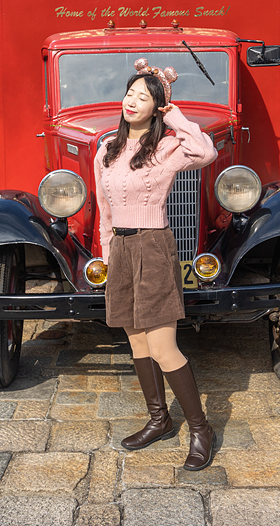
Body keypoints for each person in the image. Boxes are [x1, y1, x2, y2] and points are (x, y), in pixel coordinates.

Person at [94, 58, 217, 471]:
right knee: (138, 343)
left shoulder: (168, 147)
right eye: (130, 93)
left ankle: (201, 429)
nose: (133, 101)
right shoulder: (107, 148)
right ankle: (159, 420)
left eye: (144, 97)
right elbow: (104, 210)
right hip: (122, 252)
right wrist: (108, 254)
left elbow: (206, 150)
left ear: (156, 106)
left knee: (164, 347)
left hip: (154, 246)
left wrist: (176, 114)